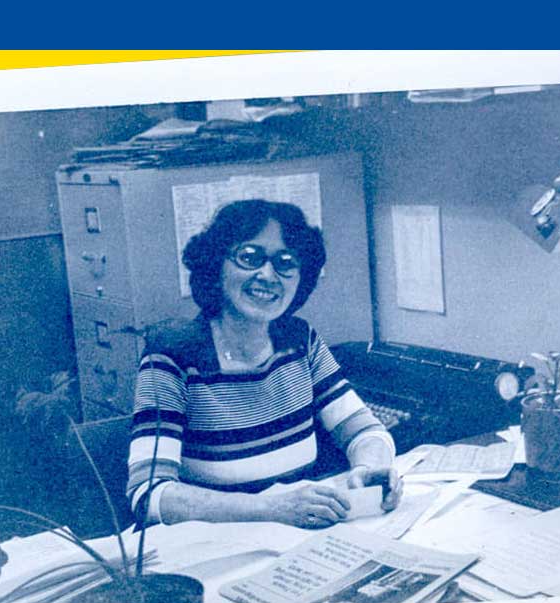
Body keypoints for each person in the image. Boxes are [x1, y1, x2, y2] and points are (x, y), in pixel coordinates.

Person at [126, 199, 402, 529]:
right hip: (214, 550)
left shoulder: (300, 341)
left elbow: (366, 430)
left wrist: (368, 470)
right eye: (249, 258)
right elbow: (149, 495)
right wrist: (270, 508)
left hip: (298, 538)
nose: (267, 275)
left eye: (285, 263)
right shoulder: (172, 355)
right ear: (217, 266)